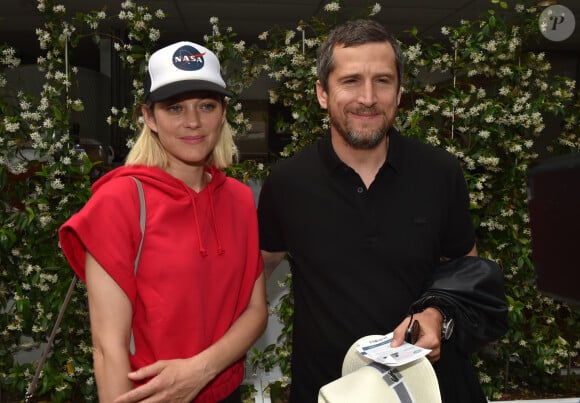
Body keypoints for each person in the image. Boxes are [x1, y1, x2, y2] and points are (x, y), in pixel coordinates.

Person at [257, 19, 486, 402]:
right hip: (331, 388)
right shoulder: (287, 182)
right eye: (350, 81)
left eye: (382, 81)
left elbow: (468, 268)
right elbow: (252, 274)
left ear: (398, 93)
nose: (368, 97)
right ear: (322, 93)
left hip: (430, 385)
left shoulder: (439, 171)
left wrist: (438, 315)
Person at [59, 41, 267, 403]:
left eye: (206, 105)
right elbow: (108, 348)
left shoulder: (238, 198)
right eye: (175, 107)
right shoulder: (119, 202)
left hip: (227, 390)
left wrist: (200, 370)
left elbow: (255, 310)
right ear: (149, 117)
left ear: (223, 113)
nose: (193, 122)